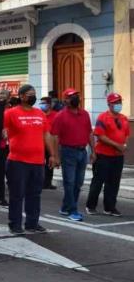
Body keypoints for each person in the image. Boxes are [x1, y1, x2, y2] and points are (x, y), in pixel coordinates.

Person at [4, 84, 57, 235]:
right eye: (29, 94)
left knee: (35, 194)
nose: (32, 97)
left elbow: (46, 134)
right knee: (17, 194)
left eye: (34, 94)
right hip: (17, 161)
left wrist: (52, 154)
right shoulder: (11, 113)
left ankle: (32, 223)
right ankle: (15, 224)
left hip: (38, 162)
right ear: (21, 96)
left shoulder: (40, 114)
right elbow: (1, 129)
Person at [50, 88, 93, 222]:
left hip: (82, 151)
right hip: (68, 152)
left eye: (76, 96)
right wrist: (55, 156)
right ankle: (72, 210)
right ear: (65, 100)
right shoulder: (60, 116)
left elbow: (89, 133)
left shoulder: (85, 114)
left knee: (78, 183)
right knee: (69, 182)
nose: (75, 98)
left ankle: (65, 207)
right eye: (71, 96)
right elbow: (54, 137)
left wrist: (94, 151)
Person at [86, 93, 130, 217]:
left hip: (118, 156)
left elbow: (126, 134)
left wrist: (124, 145)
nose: (118, 105)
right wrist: (116, 145)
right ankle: (91, 206)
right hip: (103, 155)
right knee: (98, 182)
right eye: (115, 102)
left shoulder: (124, 118)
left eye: (119, 102)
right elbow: (100, 135)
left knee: (114, 182)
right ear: (109, 104)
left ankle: (110, 207)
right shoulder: (102, 117)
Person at [39, 96, 59, 190]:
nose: (42, 105)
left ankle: (48, 182)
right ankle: (40, 181)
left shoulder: (56, 115)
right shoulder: (39, 115)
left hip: (51, 143)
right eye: (41, 103)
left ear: (50, 105)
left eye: (44, 103)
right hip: (40, 143)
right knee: (40, 163)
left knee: (50, 163)